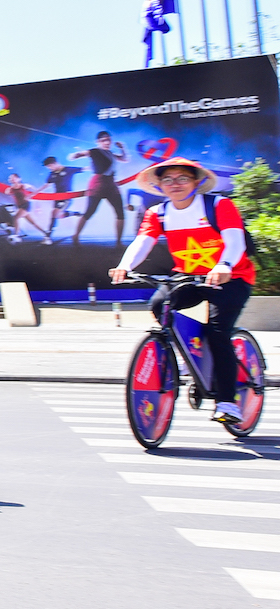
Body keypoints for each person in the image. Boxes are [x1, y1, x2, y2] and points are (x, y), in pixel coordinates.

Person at [109, 157, 257, 425]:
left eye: (182, 178)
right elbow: (143, 241)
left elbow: (234, 240)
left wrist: (224, 265)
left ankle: (226, 401)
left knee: (218, 333)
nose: (174, 184)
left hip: (231, 277)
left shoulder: (218, 205)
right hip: (188, 276)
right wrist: (124, 266)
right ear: (159, 185)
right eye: (167, 179)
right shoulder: (159, 213)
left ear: (196, 182)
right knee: (159, 305)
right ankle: (195, 355)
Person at [69, 131, 130, 245]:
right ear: (98, 142)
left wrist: (123, 148)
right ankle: (76, 235)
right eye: (103, 140)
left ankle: (119, 241)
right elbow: (80, 154)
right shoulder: (94, 151)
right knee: (90, 211)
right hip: (98, 184)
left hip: (111, 184)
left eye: (108, 140)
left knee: (120, 212)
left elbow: (125, 159)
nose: (107, 142)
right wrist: (75, 155)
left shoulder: (111, 154)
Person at [6, 171, 48, 244]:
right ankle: (46, 233)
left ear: (18, 179)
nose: (11, 179)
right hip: (19, 206)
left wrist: (31, 195)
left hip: (26, 205)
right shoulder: (11, 189)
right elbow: (7, 193)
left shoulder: (23, 186)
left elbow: (33, 188)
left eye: (13, 177)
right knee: (33, 222)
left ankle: (16, 236)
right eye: (10, 178)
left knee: (16, 217)